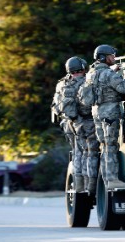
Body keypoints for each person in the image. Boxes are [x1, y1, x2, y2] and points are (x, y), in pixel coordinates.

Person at [88, 44, 125, 189]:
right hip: (110, 114)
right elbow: (124, 89)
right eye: (111, 55)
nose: (114, 58)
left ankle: (107, 179)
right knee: (111, 146)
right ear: (103, 57)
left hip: (97, 112)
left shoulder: (91, 73)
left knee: (104, 146)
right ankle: (113, 180)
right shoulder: (108, 74)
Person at [51, 56, 90, 192]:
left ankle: (78, 185)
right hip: (83, 122)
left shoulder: (62, 83)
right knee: (87, 152)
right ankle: (86, 184)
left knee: (77, 153)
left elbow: (56, 106)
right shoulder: (85, 81)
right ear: (83, 68)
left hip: (68, 123)